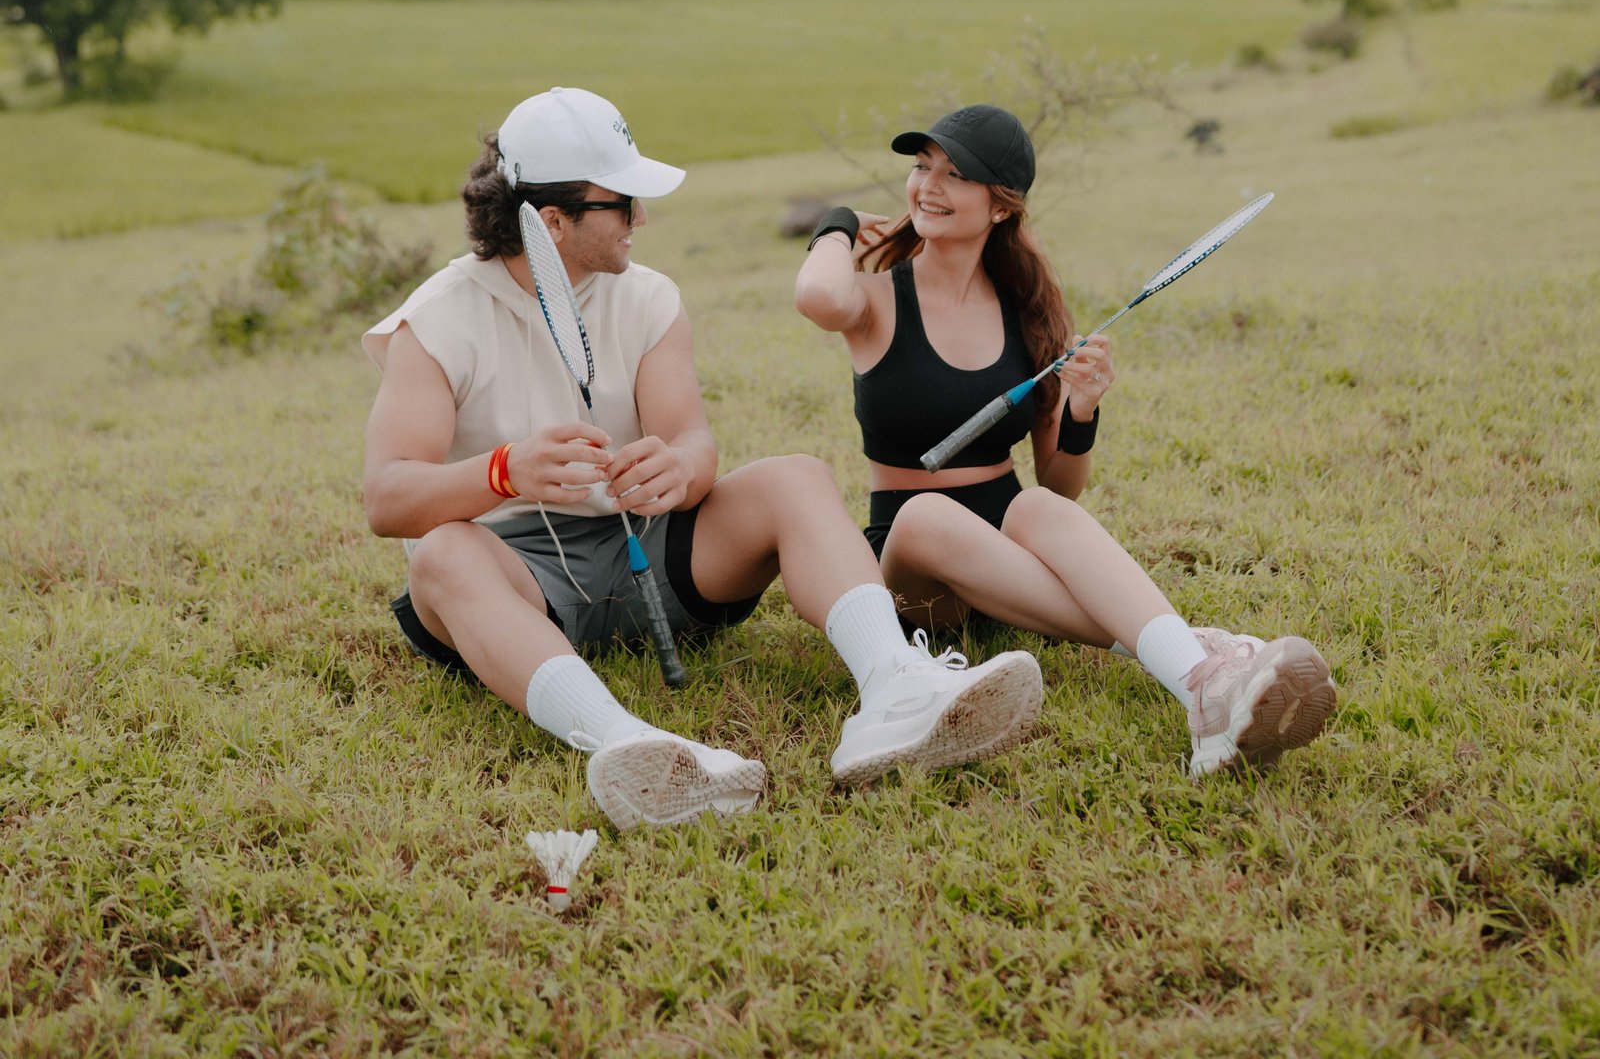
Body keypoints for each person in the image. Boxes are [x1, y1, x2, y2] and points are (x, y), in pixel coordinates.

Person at [362, 85, 1044, 830]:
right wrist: (503, 471)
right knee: (442, 554)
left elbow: (693, 444)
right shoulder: (437, 319)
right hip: (514, 582)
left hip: (649, 553)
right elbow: (387, 498)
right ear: (551, 220)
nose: (642, 219)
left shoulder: (648, 297)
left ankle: (897, 686)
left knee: (796, 477)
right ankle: (627, 743)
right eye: (623, 204)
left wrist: (679, 470)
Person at [794, 103, 1337, 777]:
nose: (928, 186)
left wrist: (1082, 409)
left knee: (1037, 505)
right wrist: (838, 223)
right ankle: (1198, 650)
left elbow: (1058, 482)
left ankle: (1201, 693)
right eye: (922, 167)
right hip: (916, 577)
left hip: (1011, 564)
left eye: (955, 175)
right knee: (928, 514)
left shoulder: (1030, 314)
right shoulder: (876, 299)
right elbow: (817, 297)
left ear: (1001, 206)